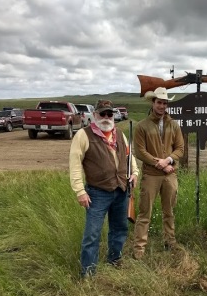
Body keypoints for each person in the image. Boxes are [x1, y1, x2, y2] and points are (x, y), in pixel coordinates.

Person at [69, 99, 139, 277]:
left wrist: (135, 173)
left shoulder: (119, 134)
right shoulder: (83, 135)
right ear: (94, 115)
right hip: (97, 193)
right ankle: (88, 272)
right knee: (92, 234)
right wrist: (80, 191)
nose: (107, 117)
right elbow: (75, 164)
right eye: (103, 114)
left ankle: (114, 260)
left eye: (110, 114)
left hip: (121, 190)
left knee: (120, 229)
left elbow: (129, 157)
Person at [132, 87, 184, 260]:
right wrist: (160, 164)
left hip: (170, 175)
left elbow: (180, 148)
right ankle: (139, 248)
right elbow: (139, 151)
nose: (162, 106)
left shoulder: (174, 124)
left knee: (169, 211)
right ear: (153, 103)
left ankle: (170, 241)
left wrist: (168, 160)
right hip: (151, 176)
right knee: (144, 212)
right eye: (159, 102)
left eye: (165, 103)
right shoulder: (142, 126)